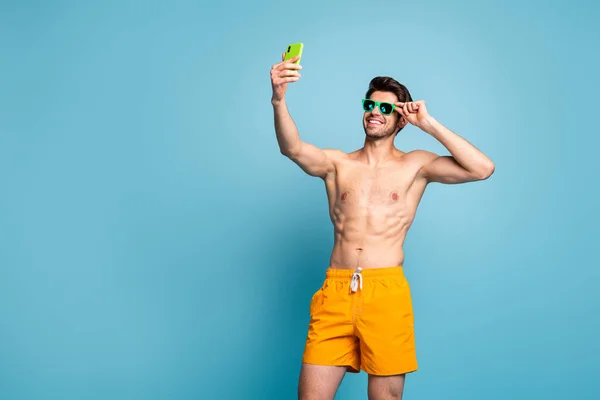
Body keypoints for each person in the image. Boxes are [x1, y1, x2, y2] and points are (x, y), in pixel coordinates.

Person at [270, 53, 495, 400]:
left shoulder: (416, 166)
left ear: (401, 119)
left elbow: (482, 168)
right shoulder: (337, 164)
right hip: (336, 292)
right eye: (369, 105)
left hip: (386, 292)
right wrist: (279, 99)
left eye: (386, 108)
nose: (375, 112)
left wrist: (430, 124)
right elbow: (293, 149)